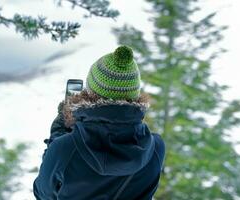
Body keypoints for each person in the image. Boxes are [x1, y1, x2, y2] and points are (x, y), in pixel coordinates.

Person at [33, 45, 165, 200]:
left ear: (91, 93)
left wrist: (59, 133)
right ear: (135, 95)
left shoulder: (65, 149)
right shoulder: (155, 147)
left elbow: (43, 194)